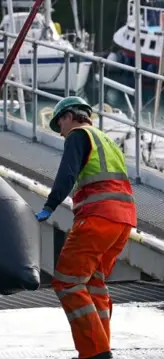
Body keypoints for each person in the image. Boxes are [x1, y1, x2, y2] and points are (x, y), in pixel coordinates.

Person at [34, 96, 137, 359]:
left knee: (67, 282)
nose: (61, 132)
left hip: (98, 218)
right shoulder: (107, 141)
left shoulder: (78, 136)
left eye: (60, 125)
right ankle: (101, 347)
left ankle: (95, 353)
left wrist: (50, 205)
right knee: (93, 282)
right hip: (124, 221)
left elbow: (67, 173)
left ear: (69, 116)